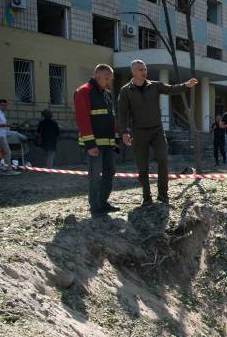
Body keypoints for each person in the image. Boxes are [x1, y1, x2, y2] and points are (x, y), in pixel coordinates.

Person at [118, 59, 198, 206]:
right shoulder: (125, 90)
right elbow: (122, 114)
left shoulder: (154, 86)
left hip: (157, 130)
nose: (144, 72)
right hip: (138, 132)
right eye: (140, 69)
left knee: (163, 159)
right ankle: (146, 197)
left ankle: (163, 195)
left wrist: (186, 85)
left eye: (145, 69)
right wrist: (123, 132)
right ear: (133, 71)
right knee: (142, 167)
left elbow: (171, 89)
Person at [74, 64, 120, 219]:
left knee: (110, 172)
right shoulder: (83, 91)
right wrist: (90, 144)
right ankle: (95, 207)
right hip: (94, 144)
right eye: (107, 78)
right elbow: (82, 120)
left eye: (110, 79)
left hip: (108, 143)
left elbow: (110, 118)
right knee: (95, 175)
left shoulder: (106, 93)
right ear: (97, 75)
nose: (109, 82)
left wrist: (114, 140)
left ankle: (103, 202)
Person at [0, 99, 20, 175]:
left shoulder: (2, 114)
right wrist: (6, 125)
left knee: (0, 154)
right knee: (7, 152)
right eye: (3, 105)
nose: (4, 106)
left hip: (1, 135)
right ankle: (8, 170)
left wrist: (7, 127)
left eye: (5, 105)